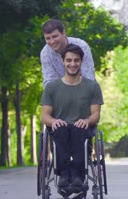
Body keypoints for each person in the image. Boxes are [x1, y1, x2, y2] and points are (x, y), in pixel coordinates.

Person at [41, 43, 104, 190]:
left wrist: (87, 120)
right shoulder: (52, 87)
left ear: (81, 62)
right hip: (60, 129)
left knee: (79, 128)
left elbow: (96, 114)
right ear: (63, 62)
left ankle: (77, 174)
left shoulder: (92, 87)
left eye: (76, 60)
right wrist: (54, 121)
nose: (72, 64)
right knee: (60, 128)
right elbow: (44, 116)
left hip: (82, 129)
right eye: (69, 60)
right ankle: (63, 173)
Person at [40, 19, 95, 87]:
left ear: (63, 33)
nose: (52, 41)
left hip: (84, 89)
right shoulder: (45, 53)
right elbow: (49, 82)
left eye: (55, 36)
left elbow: (88, 77)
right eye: (48, 38)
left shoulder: (82, 46)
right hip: (61, 93)